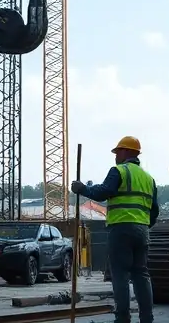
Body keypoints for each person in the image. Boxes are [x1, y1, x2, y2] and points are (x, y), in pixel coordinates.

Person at [71, 136, 158, 323]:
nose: (116, 156)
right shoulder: (149, 179)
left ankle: (123, 319)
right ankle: (147, 319)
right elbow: (155, 210)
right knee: (142, 274)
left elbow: (102, 192)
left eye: (117, 152)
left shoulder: (119, 171)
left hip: (120, 229)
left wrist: (82, 188)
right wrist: (143, 225)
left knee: (120, 275)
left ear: (126, 152)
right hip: (142, 231)